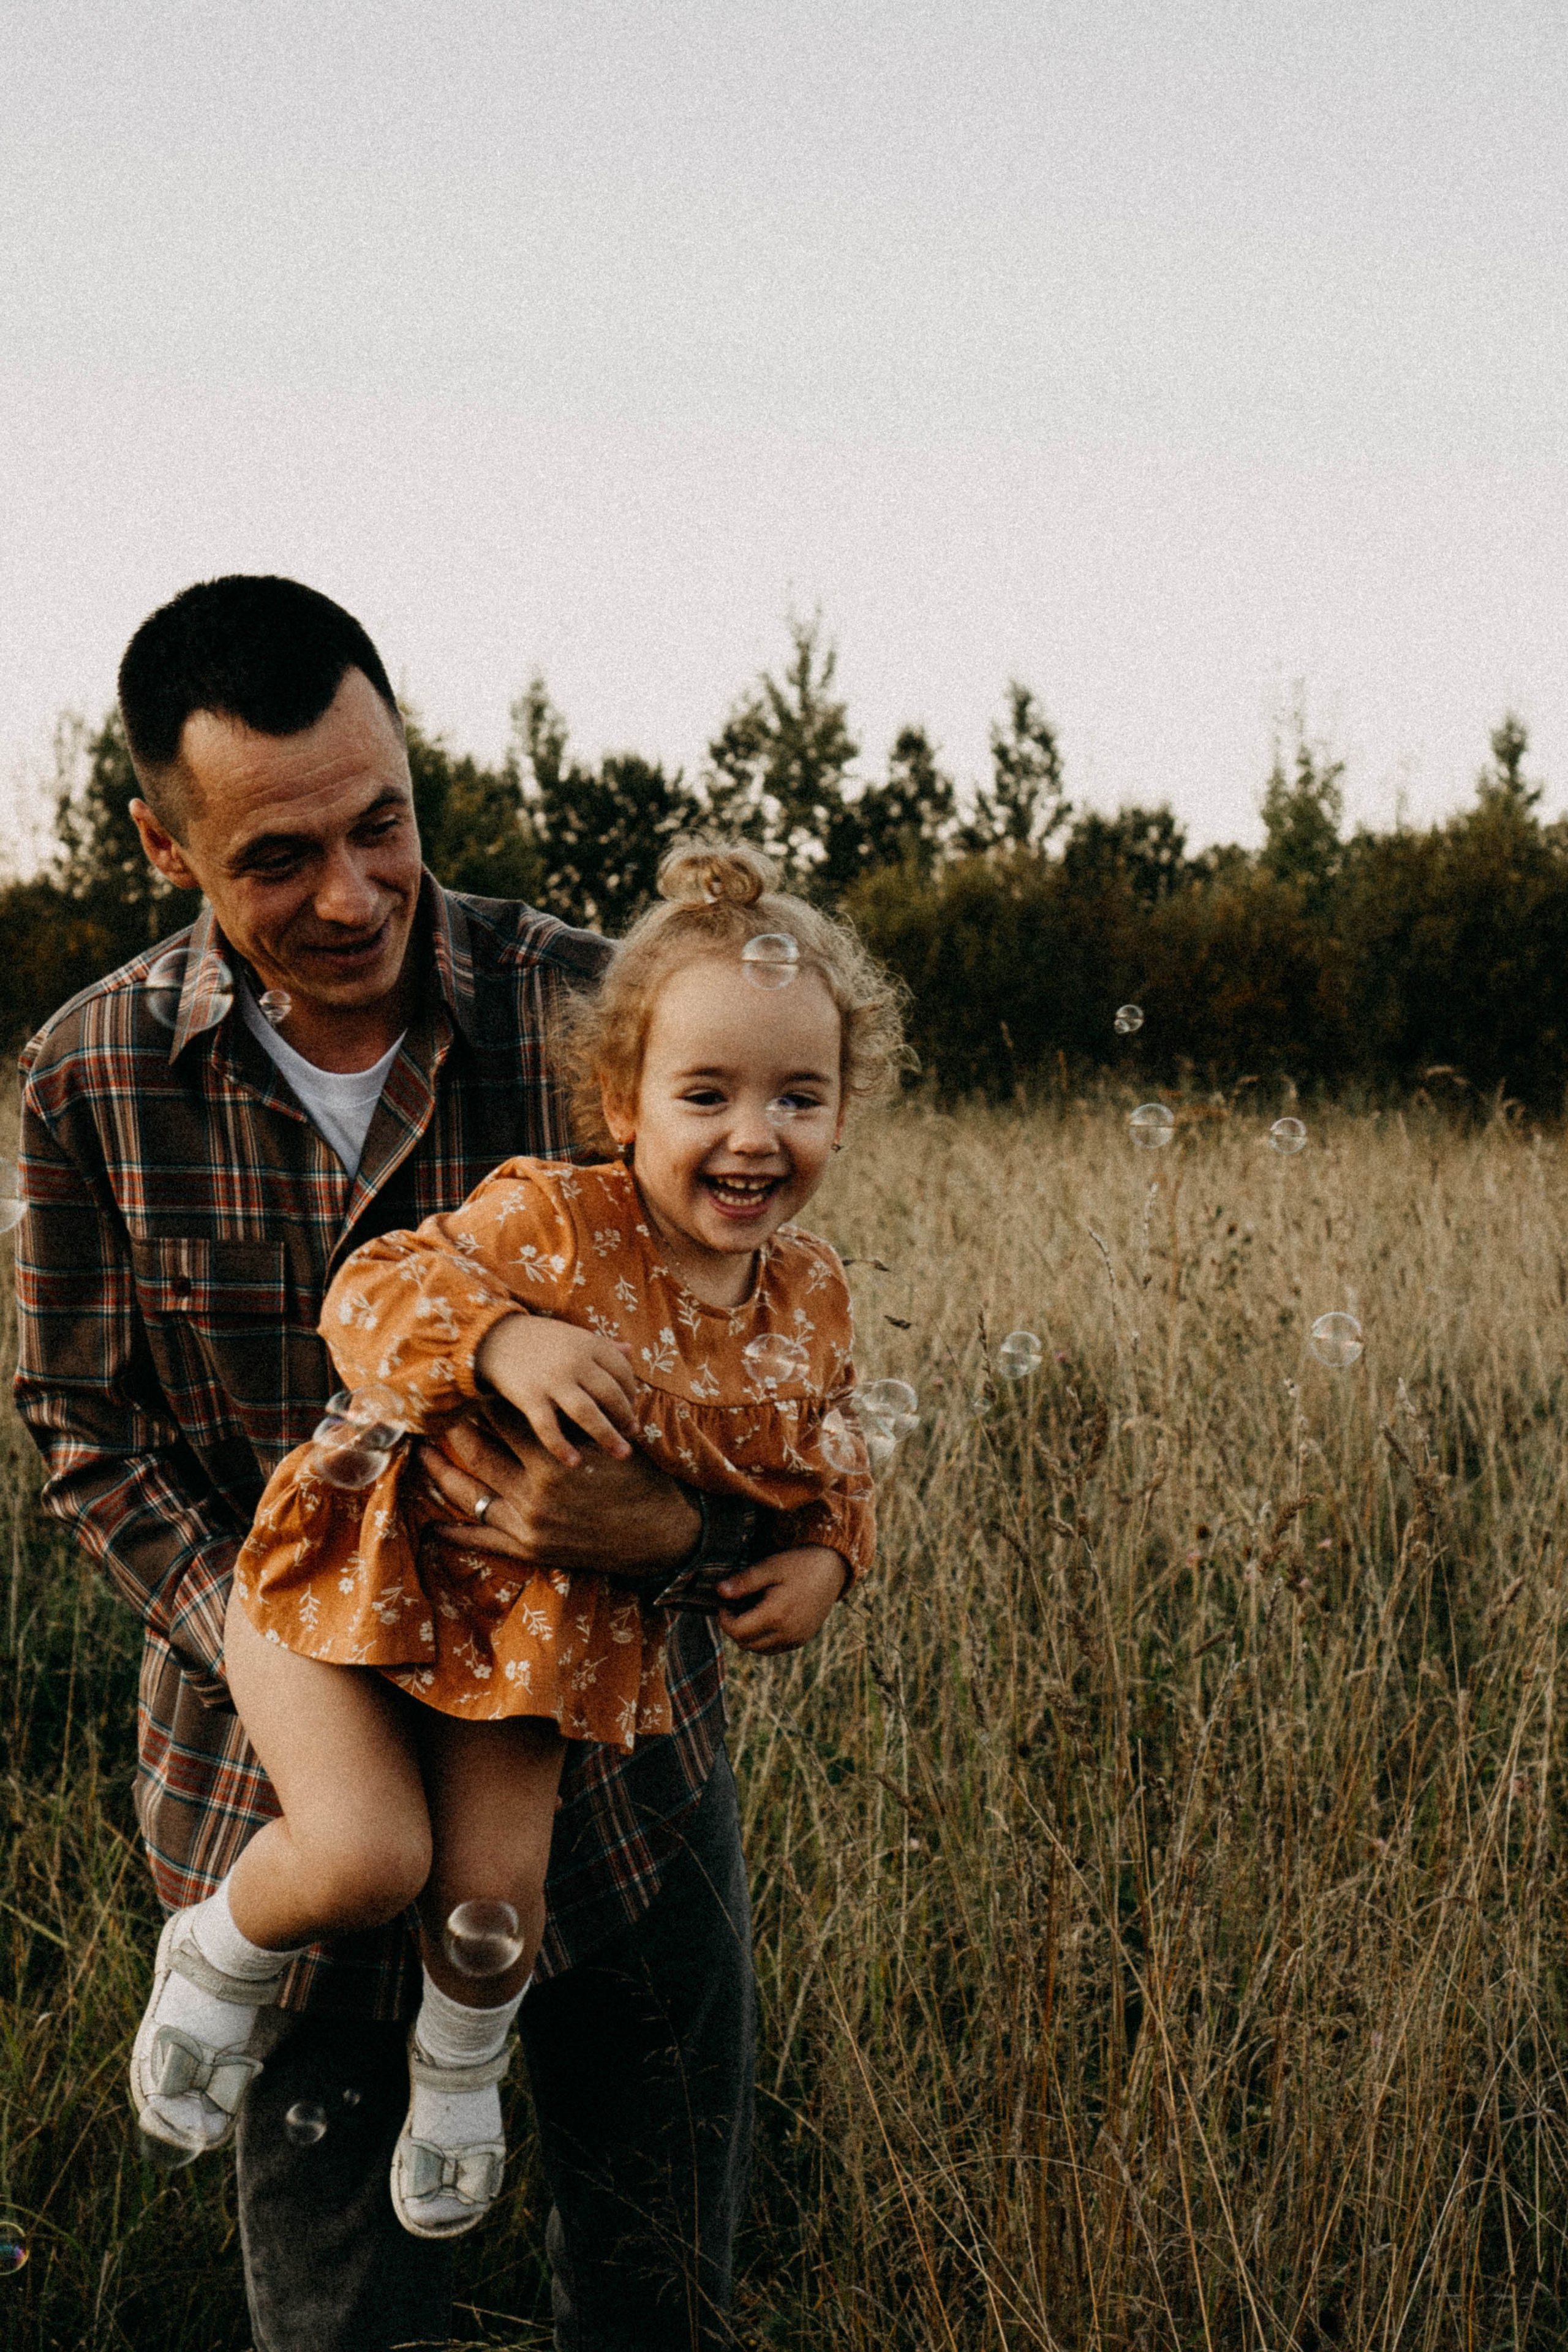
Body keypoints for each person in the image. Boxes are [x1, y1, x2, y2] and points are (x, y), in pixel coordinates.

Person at [13, 576, 865, 2349]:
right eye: (276, 857)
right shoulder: (84, 1081)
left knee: (651, 2290)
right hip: (290, 1803)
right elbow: (86, 1445)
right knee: (344, 2321)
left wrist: (679, 1528)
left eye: (382, 820)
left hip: (616, 1792)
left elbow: (768, 1351)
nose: (351, 892)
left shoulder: (602, 1011)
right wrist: (300, 1646)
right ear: (166, 848)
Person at [129, 842, 899, 2248]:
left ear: (843, 1112)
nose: (752, 1135)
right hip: (351, 1567)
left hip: (530, 1632)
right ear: (624, 1104)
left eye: (798, 1097)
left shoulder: (808, 1300)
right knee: (365, 1858)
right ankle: (219, 1953)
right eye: (705, 1094)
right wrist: (499, 1333)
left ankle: (458, 2081)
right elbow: (371, 1291)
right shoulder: (552, 1217)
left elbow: (833, 1448)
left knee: (496, 1906)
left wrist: (829, 1555)